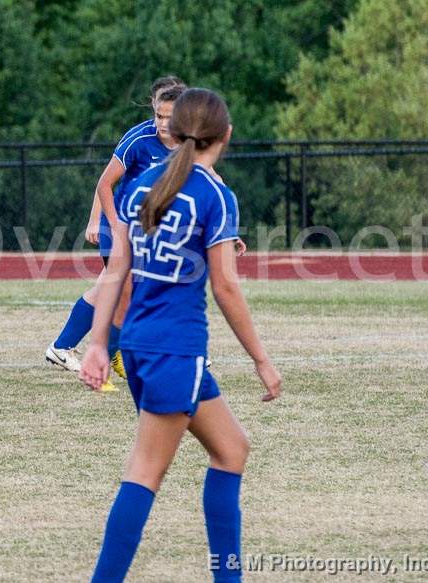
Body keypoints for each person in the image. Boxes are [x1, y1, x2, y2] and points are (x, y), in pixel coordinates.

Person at [79, 88, 281, 582]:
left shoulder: (144, 182)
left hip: (144, 347)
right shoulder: (214, 193)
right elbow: (227, 287)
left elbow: (116, 271)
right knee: (145, 474)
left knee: (232, 448)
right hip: (176, 351)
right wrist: (261, 359)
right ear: (225, 135)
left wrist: (102, 342)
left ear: (174, 129)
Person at [45, 77, 186, 387]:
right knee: (130, 290)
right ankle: (115, 356)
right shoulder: (139, 139)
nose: (162, 122)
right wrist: (104, 222)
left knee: (110, 289)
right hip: (119, 227)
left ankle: (63, 347)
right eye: (158, 115)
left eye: (169, 116)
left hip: (147, 232)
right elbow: (105, 183)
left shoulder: (189, 142)